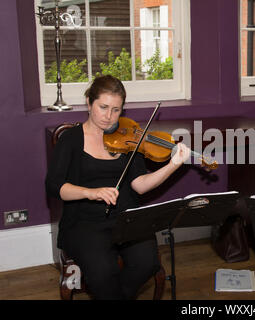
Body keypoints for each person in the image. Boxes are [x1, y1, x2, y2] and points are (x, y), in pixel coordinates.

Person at [46, 75, 191, 300]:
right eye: (103, 107)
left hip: (125, 218)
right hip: (85, 222)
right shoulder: (71, 140)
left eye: (116, 110)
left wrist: (173, 165)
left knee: (147, 263)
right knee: (104, 272)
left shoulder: (129, 137)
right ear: (88, 102)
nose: (109, 116)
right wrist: (91, 193)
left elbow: (140, 185)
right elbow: (55, 186)